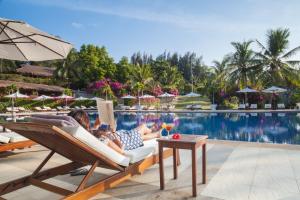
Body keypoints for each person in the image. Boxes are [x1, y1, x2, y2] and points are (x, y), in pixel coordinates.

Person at [68, 109, 160, 154]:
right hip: (125, 140)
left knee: (143, 130)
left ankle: (152, 129)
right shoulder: (101, 138)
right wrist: (112, 131)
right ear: (86, 123)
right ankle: (156, 133)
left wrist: (96, 125)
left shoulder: (83, 134)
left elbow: (94, 133)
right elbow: (121, 148)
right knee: (143, 128)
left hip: (120, 136)